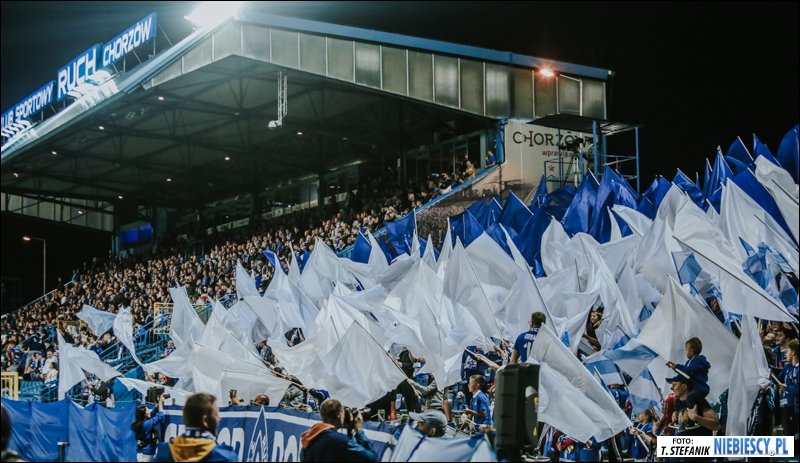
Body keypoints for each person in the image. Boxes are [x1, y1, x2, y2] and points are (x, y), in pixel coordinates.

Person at [154, 392, 237, 462]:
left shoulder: (165, 452)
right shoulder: (224, 456)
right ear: (205, 421)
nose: (219, 419)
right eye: (216, 414)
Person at [299, 398, 378, 462]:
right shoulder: (341, 441)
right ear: (340, 416)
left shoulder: (309, 439)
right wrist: (358, 429)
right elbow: (372, 459)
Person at [666, 337, 711, 422]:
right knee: (679, 399)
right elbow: (683, 375)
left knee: (690, 397)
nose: (685, 352)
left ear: (692, 351)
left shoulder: (699, 360)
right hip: (693, 388)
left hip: (700, 388)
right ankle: (683, 416)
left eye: (686, 349)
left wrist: (676, 367)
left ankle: (693, 417)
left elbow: (688, 371)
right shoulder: (689, 362)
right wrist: (674, 379)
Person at [132, 394, 166, 462]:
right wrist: (160, 404)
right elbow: (160, 416)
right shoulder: (146, 424)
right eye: (147, 410)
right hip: (147, 453)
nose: (149, 411)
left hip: (140, 452)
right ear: (144, 414)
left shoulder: (139, 422)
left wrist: (159, 402)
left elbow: (152, 413)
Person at [776, 339, 798, 441]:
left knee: (793, 433)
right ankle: (790, 454)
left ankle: (795, 455)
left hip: (794, 406)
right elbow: (777, 379)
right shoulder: (787, 368)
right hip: (784, 405)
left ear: (793, 352)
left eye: (787, 351)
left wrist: (787, 388)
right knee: (787, 431)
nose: (786, 354)